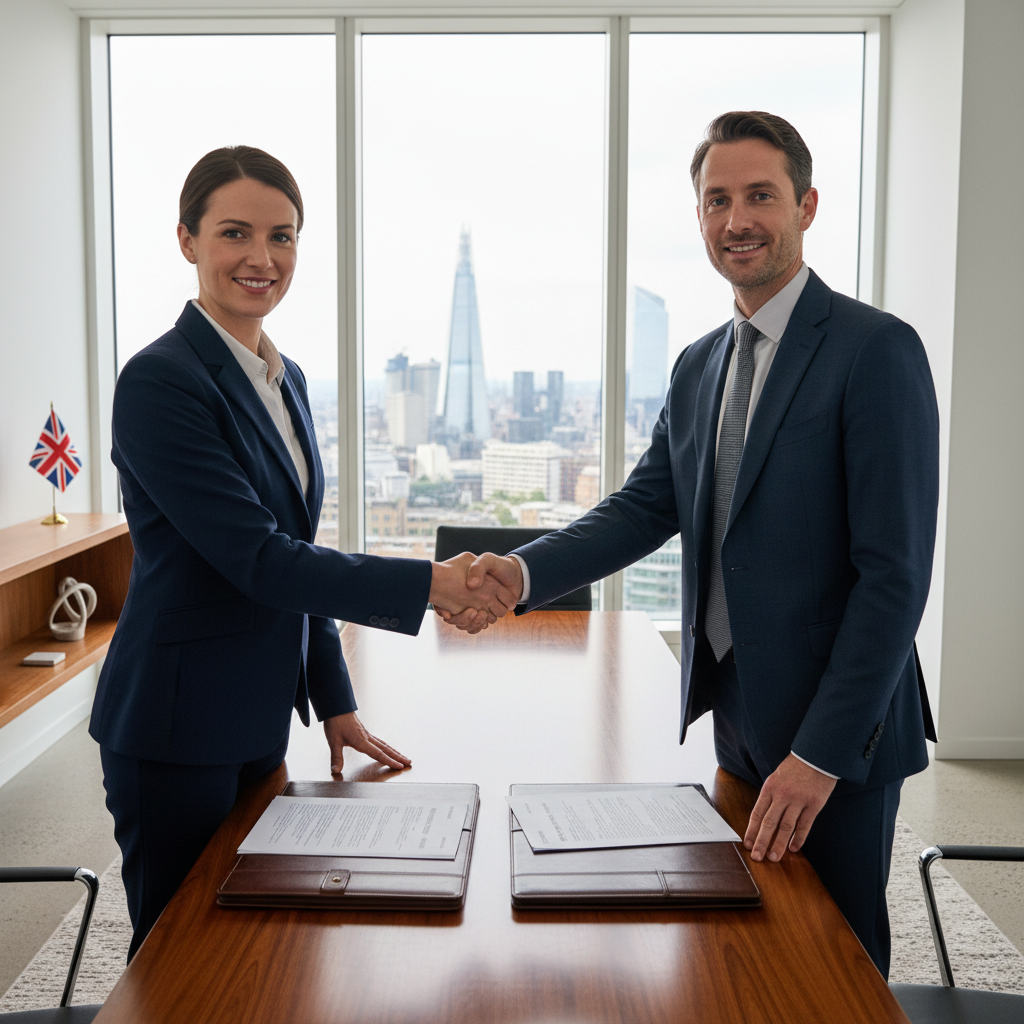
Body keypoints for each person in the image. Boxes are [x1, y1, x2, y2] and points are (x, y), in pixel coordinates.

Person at [452, 112, 939, 977]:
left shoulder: (875, 350)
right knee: (746, 943)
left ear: (808, 205)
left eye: (760, 195)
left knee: (838, 955)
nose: (736, 219)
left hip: (838, 727)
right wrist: (521, 572)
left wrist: (819, 756)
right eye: (717, 200)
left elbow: (894, 579)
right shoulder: (699, 362)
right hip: (739, 710)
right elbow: (644, 508)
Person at [89, 145, 514, 960]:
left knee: (255, 942)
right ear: (187, 240)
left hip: (256, 711)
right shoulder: (160, 381)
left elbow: (293, 551)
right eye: (235, 233)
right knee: (179, 955)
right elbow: (257, 559)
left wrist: (334, 698)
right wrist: (431, 583)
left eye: (282, 236)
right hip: (174, 723)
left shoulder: (287, 380)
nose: (262, 258)